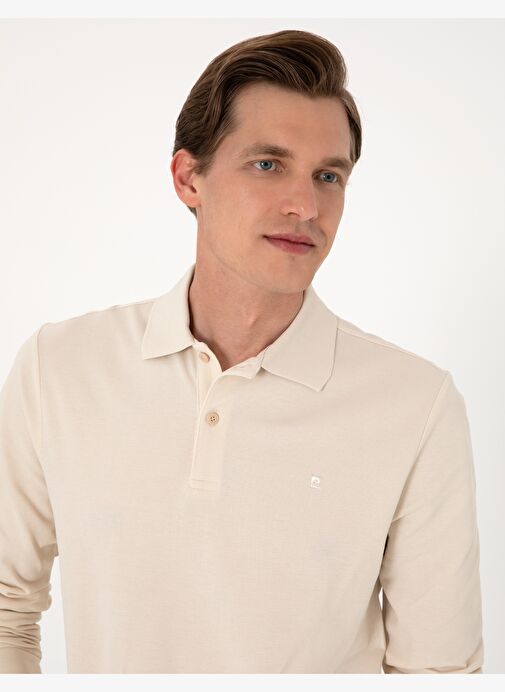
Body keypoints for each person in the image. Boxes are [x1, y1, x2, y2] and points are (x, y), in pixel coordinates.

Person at [0, 28, 483, 674]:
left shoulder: (415, 405)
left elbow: (438, 674)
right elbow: (6, 607)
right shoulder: (59, 367)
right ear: (188, 178)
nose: (305, 206)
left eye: (328, 176)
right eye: (267, 164)